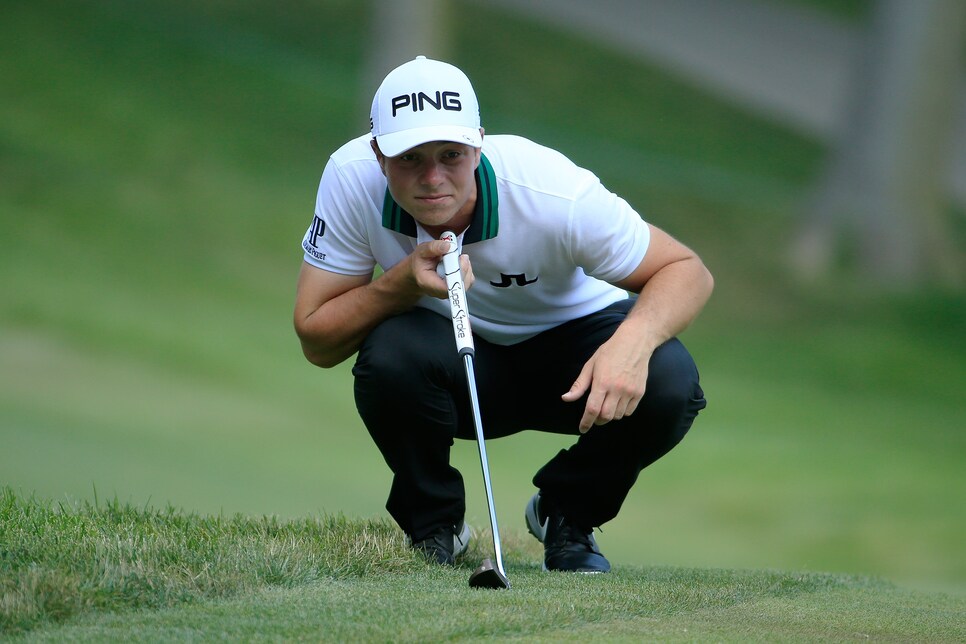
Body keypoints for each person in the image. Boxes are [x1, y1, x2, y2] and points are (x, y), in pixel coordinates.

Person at [294, 56, 712, 573]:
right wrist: (398, 284)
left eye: (451, 155)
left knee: (668, 377)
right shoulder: (350, 179)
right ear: (379, 154)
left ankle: (567, 512)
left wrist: (632, 343)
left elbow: (687, 270)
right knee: (390, 353)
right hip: (456, 371)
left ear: (478, 146)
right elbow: (316, 341)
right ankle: (436, 527)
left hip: (576, 363)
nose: (432, 178)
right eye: (410, 158)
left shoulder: (551, 191)